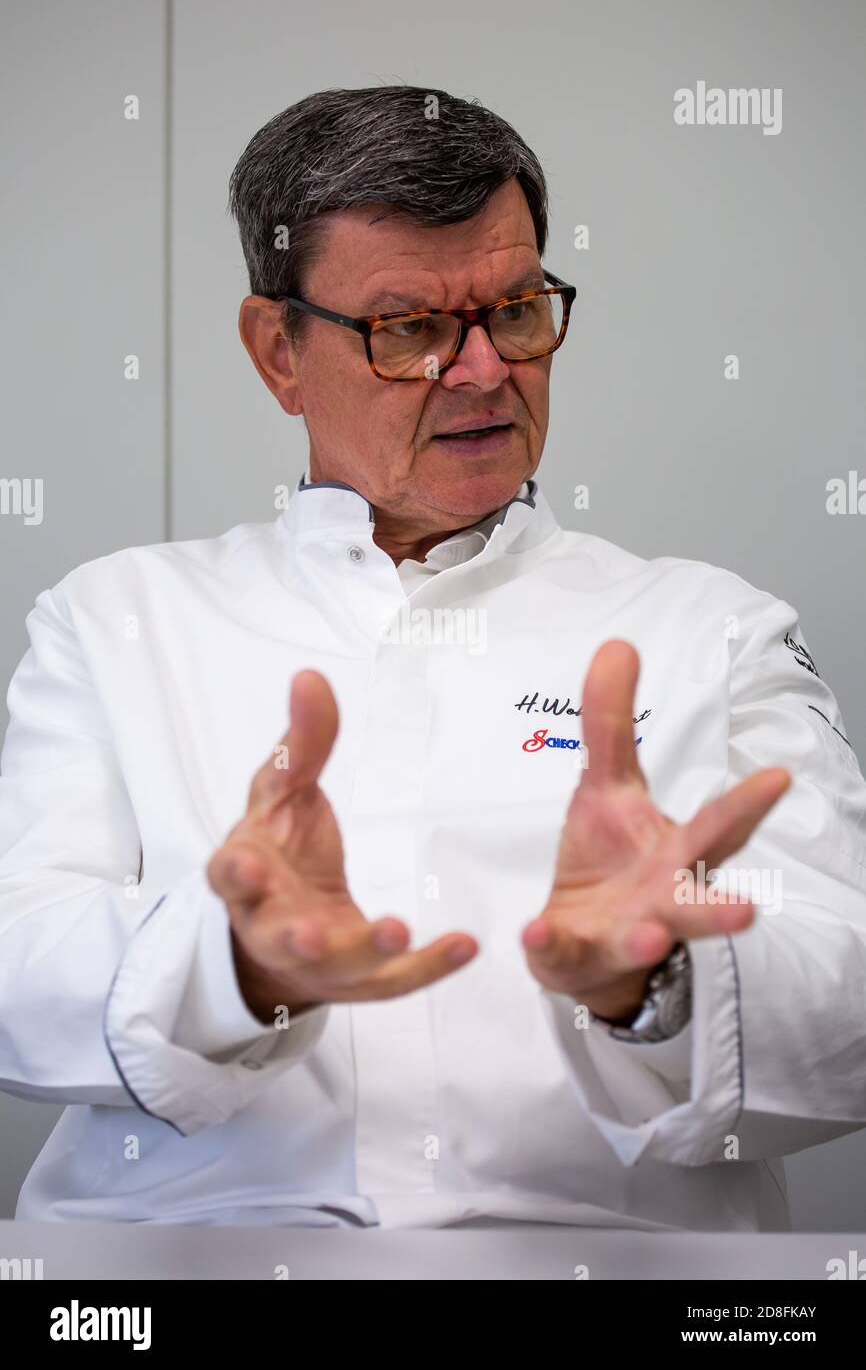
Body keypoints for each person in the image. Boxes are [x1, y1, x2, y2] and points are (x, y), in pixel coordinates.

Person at [2, 85, 865, 1232]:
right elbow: (16, 963)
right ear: (278, 352)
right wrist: (228, 961)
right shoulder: (116, 620)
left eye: (513, 310)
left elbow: (849, 997)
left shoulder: (710, 628)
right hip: (182, 1279)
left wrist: (656, 984)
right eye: (408, 327)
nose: (480, 370)